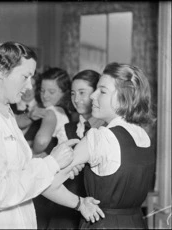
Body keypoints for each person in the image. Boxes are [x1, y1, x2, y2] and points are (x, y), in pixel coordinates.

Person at [0, 41, 103, 229]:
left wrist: (79, 202)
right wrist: (52, 163)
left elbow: (22, 173)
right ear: (1, 70)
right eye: (25, 77)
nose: (29, 87)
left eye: (31, 79)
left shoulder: (3, 113)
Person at [42, 62, 156, 229]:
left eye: (102, 91)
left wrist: (80, 203)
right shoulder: (143, 135)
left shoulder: (100, 137)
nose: (93, 96)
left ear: (124, 97)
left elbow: (46, 183)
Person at [47, 70, 106, 229]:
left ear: (96, 94)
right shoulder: (66, 130)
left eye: (82, 93)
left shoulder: (107, 131)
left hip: (96, 211)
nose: (76, 99)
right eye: (73, 93)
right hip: (66, 210)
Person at [32, 67, 71, 157]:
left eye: (51, 92)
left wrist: (32, 151)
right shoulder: (64, 111)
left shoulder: (50, 112)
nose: (45, 95)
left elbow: (41, 141)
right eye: (42, 90)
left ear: (64, 92)